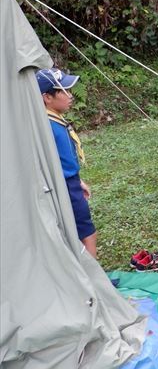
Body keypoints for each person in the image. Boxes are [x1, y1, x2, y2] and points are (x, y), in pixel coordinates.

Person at [36, 68, 98, 258]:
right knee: (87, 232)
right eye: (64, 91)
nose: (70, 96)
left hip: (71, 181)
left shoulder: (54, 120)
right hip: (63, 186)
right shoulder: (47, 127)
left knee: (78, 231)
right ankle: (94, 281)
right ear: (47, 97)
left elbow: (62, 159)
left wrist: (78, 181)